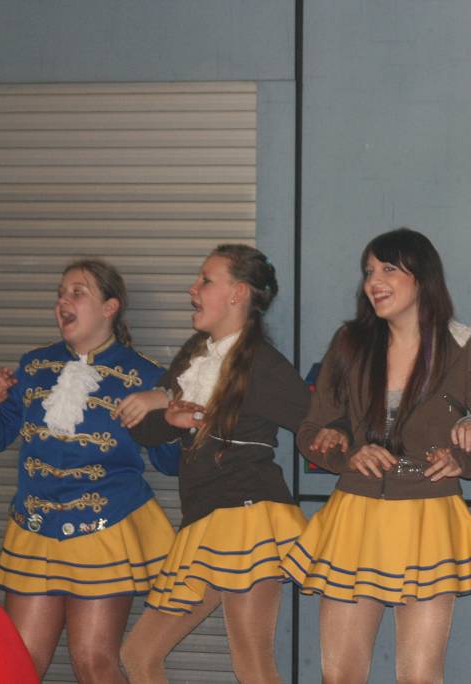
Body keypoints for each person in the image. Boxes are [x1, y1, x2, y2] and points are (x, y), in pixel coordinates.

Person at [280, 227, 471, 684]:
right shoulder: (350, 343)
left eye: (388, 268)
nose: (374, 281)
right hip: (354, 516)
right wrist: (345, 453)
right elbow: (311, 431)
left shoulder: (467, 350)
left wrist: (464, 461)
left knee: (420, 675)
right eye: (369, 271)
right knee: (340, 675)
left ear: (422, 277)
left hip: (429, 518)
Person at [120, 244, 309, 684]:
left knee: (252, 665)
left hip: (249, 519)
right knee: (138, 655)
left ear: (238, 293)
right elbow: (148, 433)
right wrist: (166, 415)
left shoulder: (265, 364)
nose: (193, 288)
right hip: (203, 520)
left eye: (206, 280)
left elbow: (318, 425)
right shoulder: (195, 354)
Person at [0, 259, 178, 683]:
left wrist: (170, 412)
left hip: (104, 529)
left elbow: (171, 463)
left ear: (110, 307)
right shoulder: (33, 366)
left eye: (77, 292)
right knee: (19, 663)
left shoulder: (146, 375)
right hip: (35, 526)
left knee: (93, 662)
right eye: (60, 293)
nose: (63, 301)